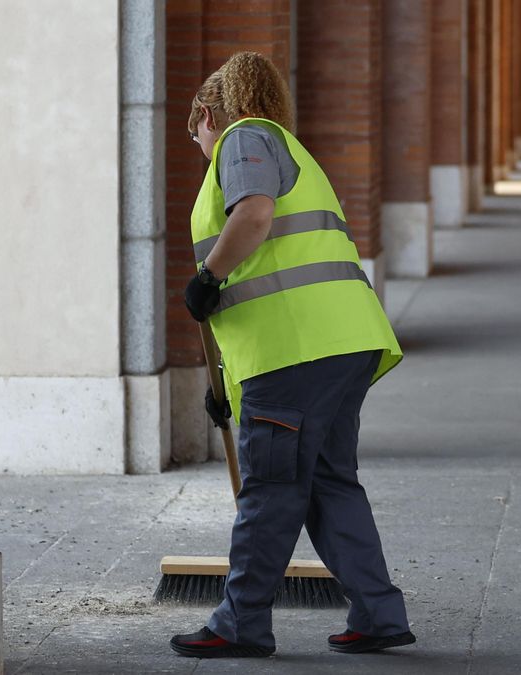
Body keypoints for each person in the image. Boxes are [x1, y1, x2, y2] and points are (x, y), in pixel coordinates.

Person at [168, 51, 415, 659]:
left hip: (296, 354)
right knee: (330, 481)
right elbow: (274, 273)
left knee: (272, 488)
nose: (198, 145)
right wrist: (226, 383)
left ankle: (240, 623)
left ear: (206, 113)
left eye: (193, 132)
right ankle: (379, 614)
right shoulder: (288, 146)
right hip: (340, 343)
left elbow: (254, 218)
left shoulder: (243, 138)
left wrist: (208, 277)